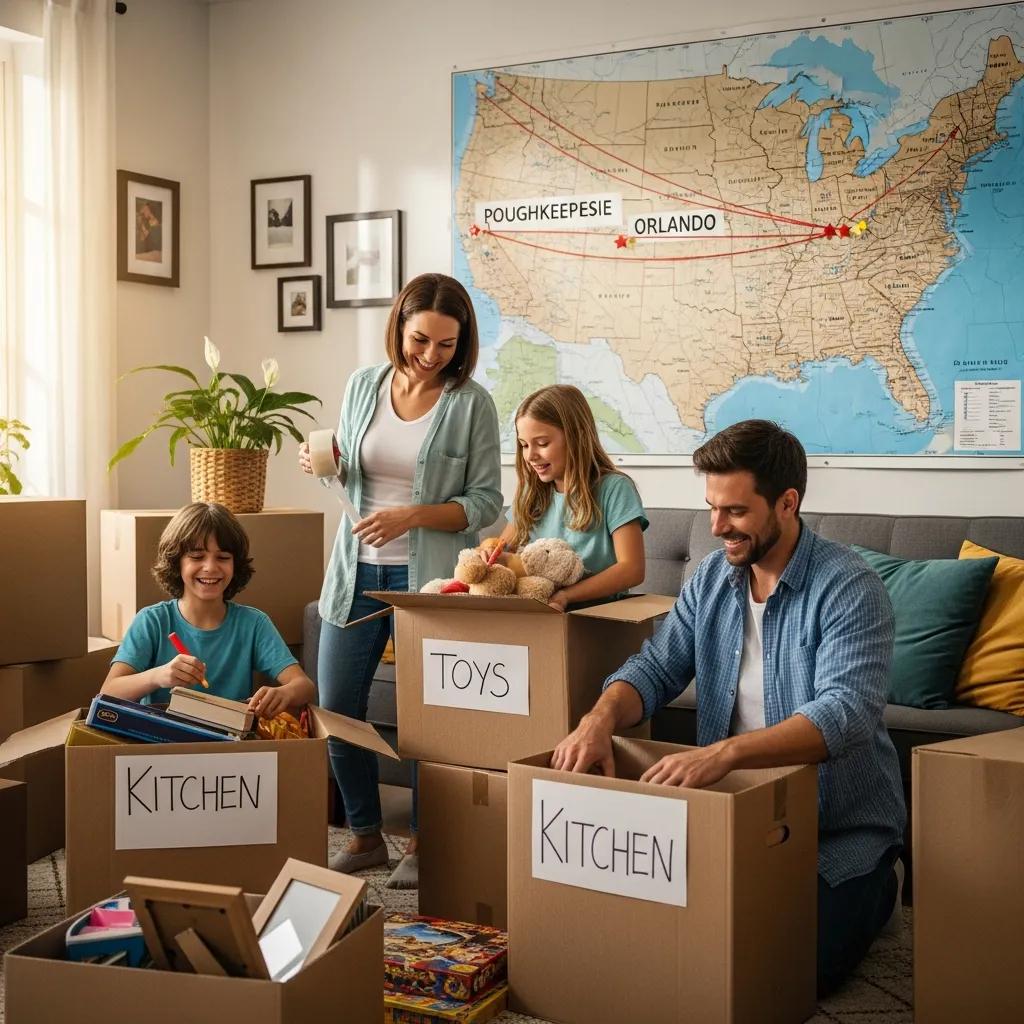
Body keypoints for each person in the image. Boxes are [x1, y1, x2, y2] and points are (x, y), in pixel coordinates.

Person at [552, 419, 906, 995]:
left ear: (787, 503)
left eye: (735, 512)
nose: (717, 527)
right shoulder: (712, 578)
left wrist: (723, 754)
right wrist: (597, 719)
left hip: (835, 827)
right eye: (712, 508)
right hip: (729, 812)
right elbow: (657, 666)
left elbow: (846, 713)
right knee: (648, 940)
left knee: (784, 969)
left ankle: (879, 883)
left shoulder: (850, 586)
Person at [298, 272, 502, 888]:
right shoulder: (363, 385)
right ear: (399, 327)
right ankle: (364, 836)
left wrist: (411, 516)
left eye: (446, 344)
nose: (431, 355)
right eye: (420, 339)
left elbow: (487, 503)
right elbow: (347, 467)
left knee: (429, 716)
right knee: (336, 705)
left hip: (431, 583)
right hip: (354, 571)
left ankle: (422, 839)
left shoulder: (471, 404)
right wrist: (318, 461)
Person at [102, 502, 316, 719]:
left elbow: (304, 686)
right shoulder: (152, 621)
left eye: (223, 557)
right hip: (164, 744)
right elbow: (108, 692)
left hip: (232, 744)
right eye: (196, 557)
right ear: (177, 563)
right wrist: (158, 676)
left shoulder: (253, 623)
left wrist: (284, 693)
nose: (211, 567)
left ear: (235, 565)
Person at [497, 385, 647, 609]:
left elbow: (632, 569)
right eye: (524, 445)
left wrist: (566, 596)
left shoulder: (614, 488)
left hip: (596, 615)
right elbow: (502, 549)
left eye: (542, 443)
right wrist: (489, 554)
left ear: (576, 436)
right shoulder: (531, 491)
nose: (530, 455)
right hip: (538, 612)